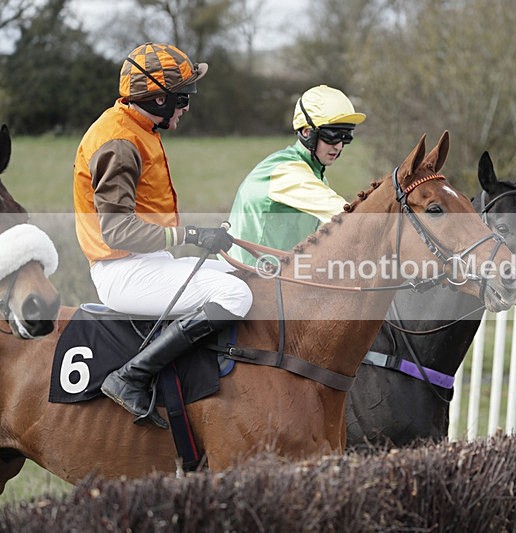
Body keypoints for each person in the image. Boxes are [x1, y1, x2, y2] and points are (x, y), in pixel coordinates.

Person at [73, 42, 253, 428]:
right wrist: (191, 235)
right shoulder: (119, 142)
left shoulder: (136, 125)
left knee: (241, 275)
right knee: (235, 295)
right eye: (183, 98)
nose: (186, 107)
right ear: (158, 99)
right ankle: (131, 377)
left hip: (146, 262)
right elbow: (118, 231)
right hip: (123, 272)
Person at [227, 85, 366, 265]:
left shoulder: (315, 174)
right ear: (306, 132)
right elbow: (345, 214)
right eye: (332, 135)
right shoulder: (286, 171)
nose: (339, 145)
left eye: (346, 136)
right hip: (244, 275)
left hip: (276, 274)